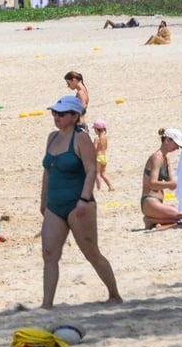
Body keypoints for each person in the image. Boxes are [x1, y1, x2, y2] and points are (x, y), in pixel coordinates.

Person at [39, 95, 122, 309]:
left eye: (61, 113)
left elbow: (91, 170)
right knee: (49, 254)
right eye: (54, 113)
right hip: (54, 205)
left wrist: (84, 199)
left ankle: (114, 294)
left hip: (79, 204)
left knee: (91, 252)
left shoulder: (81, 138)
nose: (56, 117)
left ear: (75, 116)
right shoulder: (52, 138)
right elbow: (48, 171)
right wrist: (43, 200)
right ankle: (47, 304)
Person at [140, 128, 182, 228]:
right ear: (167, 140)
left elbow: (172, 186)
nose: (177, 148)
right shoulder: (157, 157)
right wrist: (172, 184)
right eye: (176, 144)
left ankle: (152, 220)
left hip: (157, 202)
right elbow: (152, 183)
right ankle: (151, 219)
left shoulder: (166, 159)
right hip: (150, 201)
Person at [92, 120, 114, 191]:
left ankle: (99, 188)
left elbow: (94, 149)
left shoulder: (97, 139)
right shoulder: (105, 137)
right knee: (103, 174)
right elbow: (106, 147)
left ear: (97, 129)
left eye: (94, 129)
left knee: (97, 174)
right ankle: (110, 186)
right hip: (104, 157)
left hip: (98, 157)